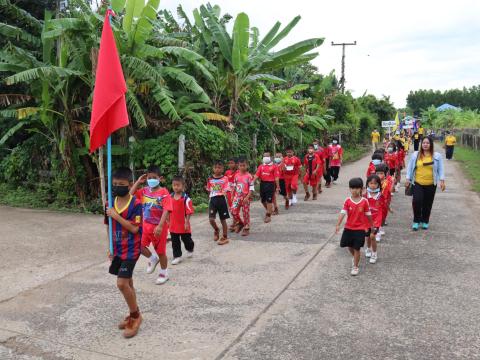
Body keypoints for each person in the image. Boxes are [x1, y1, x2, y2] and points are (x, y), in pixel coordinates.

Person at [105, 167, 143, 338]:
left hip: (131, 250)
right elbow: (108, 226)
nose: (117, 187)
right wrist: (110, 247)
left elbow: (135, 229)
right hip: (118, 250)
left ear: (129, 185)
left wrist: (116, 216)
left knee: (121, 284)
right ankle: (134, 311)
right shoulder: (109, 203)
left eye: (121, 184)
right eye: (114, 184)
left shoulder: (136, 204)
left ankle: (135, 317)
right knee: (129, 284)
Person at [130, 165, 172, 285]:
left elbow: (166, 209)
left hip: (159, 227)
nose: (151, 179)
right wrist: (138, 182)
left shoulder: (164, 192)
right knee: (139, 246)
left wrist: (160, 226)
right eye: (149, 177)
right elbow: (130, 195)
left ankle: (164, 273)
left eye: (154, 177)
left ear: (160, 178)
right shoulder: (144, 191)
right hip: (145, 226)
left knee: (161, 252)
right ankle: (152, 259)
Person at [335, 177, 374, 276]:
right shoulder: (347, 200)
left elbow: (368, 214)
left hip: (360, 229)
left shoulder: (364, 201)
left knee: (357, 248)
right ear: (349, 189)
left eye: (357, 188)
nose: (354, 190)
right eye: (352, 188)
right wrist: (338, 224)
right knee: (348, 245)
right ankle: (355, 257)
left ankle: (355, 266)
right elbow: (343, 213)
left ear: (361, 189)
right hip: (348, 228)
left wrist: (372, 227)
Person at [406, 136, 446, 231]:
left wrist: (442, 181)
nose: (425, 144)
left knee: (427, 204)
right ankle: (416, 220)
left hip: (431, 184)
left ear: (431, 144)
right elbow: (410, 167)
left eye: (427, 143)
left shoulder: (437, 156)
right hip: (417, 183)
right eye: (423, 143)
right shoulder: (416, 155)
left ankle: (425, 221)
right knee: (417, 201)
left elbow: (441, 169)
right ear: (421, 144)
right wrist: (408, 178)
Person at [169, 176, 194, 265]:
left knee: (187, 240)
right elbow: (167, 211)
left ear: (183, 186)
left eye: (178, 185)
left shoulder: (186, 198)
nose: (176, 187)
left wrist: (186, 222)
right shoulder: (170, 197)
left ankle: (190, 248)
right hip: (173, 225)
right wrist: (167, 222)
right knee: (175, 242)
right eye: (174, 185)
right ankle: (177, 256)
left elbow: (189, 212)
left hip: (183, 225)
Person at [206, 161, 230, 245]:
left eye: (219, 167)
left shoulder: (225, 178)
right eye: (215, 167)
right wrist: (209, 198)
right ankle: (216, 230)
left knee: (223, 220)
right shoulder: (210, 179)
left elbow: (227, 188)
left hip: (222, 200)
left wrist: (225, 193)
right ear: (213, 168)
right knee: (211, 219)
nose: (217, 169)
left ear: (222, 169)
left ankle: (225, 236)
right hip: (213, 200)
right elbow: (209, 189)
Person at [254, 152, 280, 222]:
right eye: (264, 156)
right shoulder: (261, 166)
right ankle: (270, 210)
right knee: (263, 200)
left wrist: (278, 187)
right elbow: (256, 176)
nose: (265, 157)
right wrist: (251, 182)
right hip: (262, 184)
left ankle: (268, 215)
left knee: (269, 200)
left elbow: (276, 178)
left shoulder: (274, 166)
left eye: (267, 156)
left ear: (270, 157)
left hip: (270, 184)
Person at [364, 174, 384, 264]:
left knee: (372, 236)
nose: (373, 185)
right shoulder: (364, 195)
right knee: (367, 236)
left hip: (376, 219)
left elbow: (384, 206)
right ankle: (368, 248)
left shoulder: (380, 196)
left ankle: (374, 253)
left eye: (375, 183)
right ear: (367, 184)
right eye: (371, 183)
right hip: (366, 219)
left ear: (379, 185)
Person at [231, 158, 254, 236]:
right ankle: (240, 223)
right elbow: (234, 186)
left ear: (247, 166)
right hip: (237, 197)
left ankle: (246, 227)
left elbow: (251, 188)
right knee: (233, 211)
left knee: (245, 213)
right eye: (240, 165)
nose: (242, 167)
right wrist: (232, 195)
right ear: (238, 166)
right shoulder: (236, 175)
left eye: (244, 165)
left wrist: (247, 197)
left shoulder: (249, 176)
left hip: (245, 198)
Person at [375, 164, 393, 238]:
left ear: (385, 174)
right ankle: (377, 232)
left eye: (381, 173)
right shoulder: (374, 181)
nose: (379, 175)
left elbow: (391, 190)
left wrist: (393, 182)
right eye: (377, 173)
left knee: (383, 217)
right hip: (376, 203)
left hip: (385, 203)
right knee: (377, 217)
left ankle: (381, 227)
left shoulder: (387, 182)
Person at [225, 158, 238, 232]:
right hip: (229, 192)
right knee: (231, 208)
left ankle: (236, 222)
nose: (230, 164)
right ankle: (235, 221)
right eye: (229, 163)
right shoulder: (227, 172)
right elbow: (225, 182)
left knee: (235, 208)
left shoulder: (238, 172)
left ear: (236, 164)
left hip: (236, 192)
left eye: (232, 163)